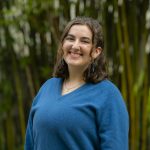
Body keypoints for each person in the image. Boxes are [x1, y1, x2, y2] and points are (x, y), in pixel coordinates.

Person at [24, 16, 129, 150]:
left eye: (84, 41)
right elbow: (30, 144)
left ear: (96, 51)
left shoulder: (108, 95)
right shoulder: (46, 88)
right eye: (70, 38)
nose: (75, 46)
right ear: (63, 45)